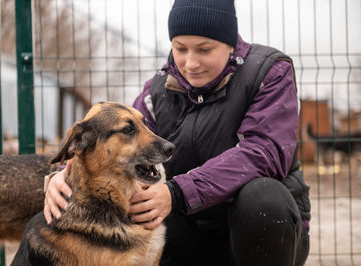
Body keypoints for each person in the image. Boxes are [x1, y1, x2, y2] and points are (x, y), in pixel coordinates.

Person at [44, 0, 311, 265]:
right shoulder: (158, 89)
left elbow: (263, 153)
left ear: (230, 44)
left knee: (262, 199)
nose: (190, 63)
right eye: (180, 48)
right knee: (142, 210)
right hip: (193, 230)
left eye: (204, 49)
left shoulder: (270, 72)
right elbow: (119, 148)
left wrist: (177, 193)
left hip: (261, 234)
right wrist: (65, 174)